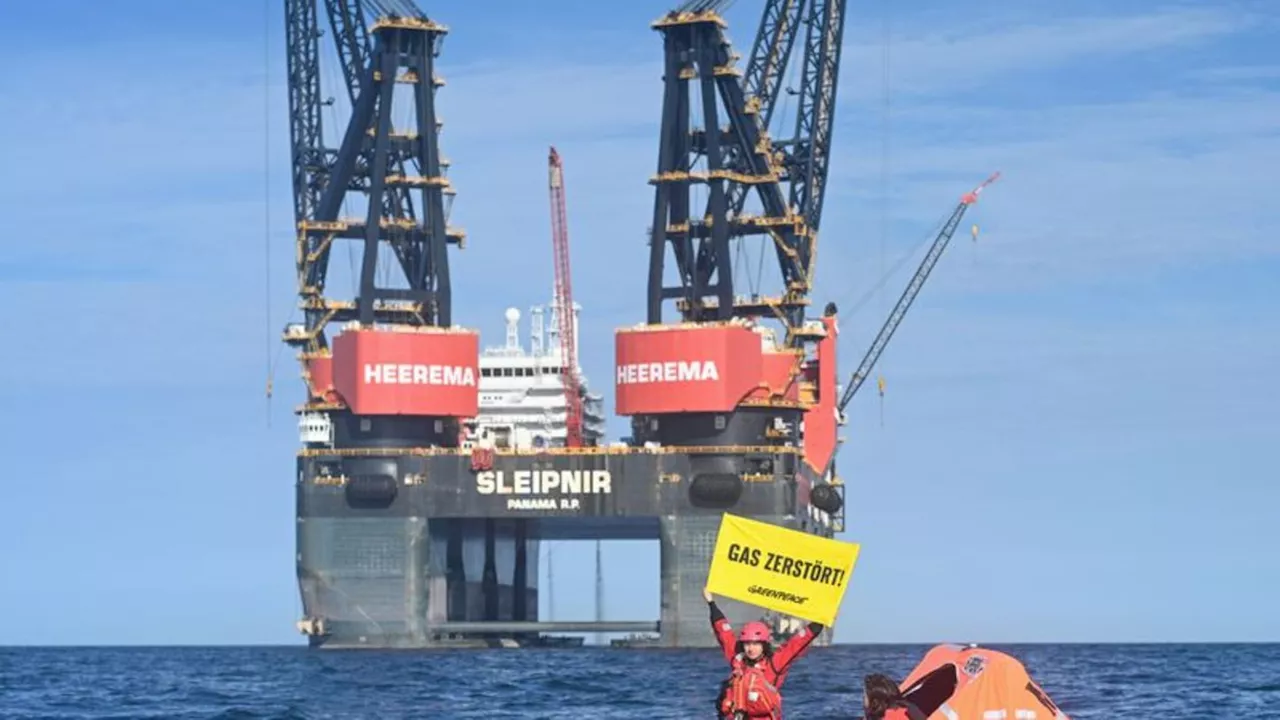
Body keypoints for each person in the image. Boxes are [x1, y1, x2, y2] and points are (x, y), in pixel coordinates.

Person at [704, 587, 824, 719]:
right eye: (747, 644)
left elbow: (798, 643)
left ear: (764, 645)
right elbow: (723, 631)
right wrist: (711, 603)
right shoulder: (738, 658)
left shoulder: (775, 664)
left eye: (756, 644)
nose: (751, 649)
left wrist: (822, 620)